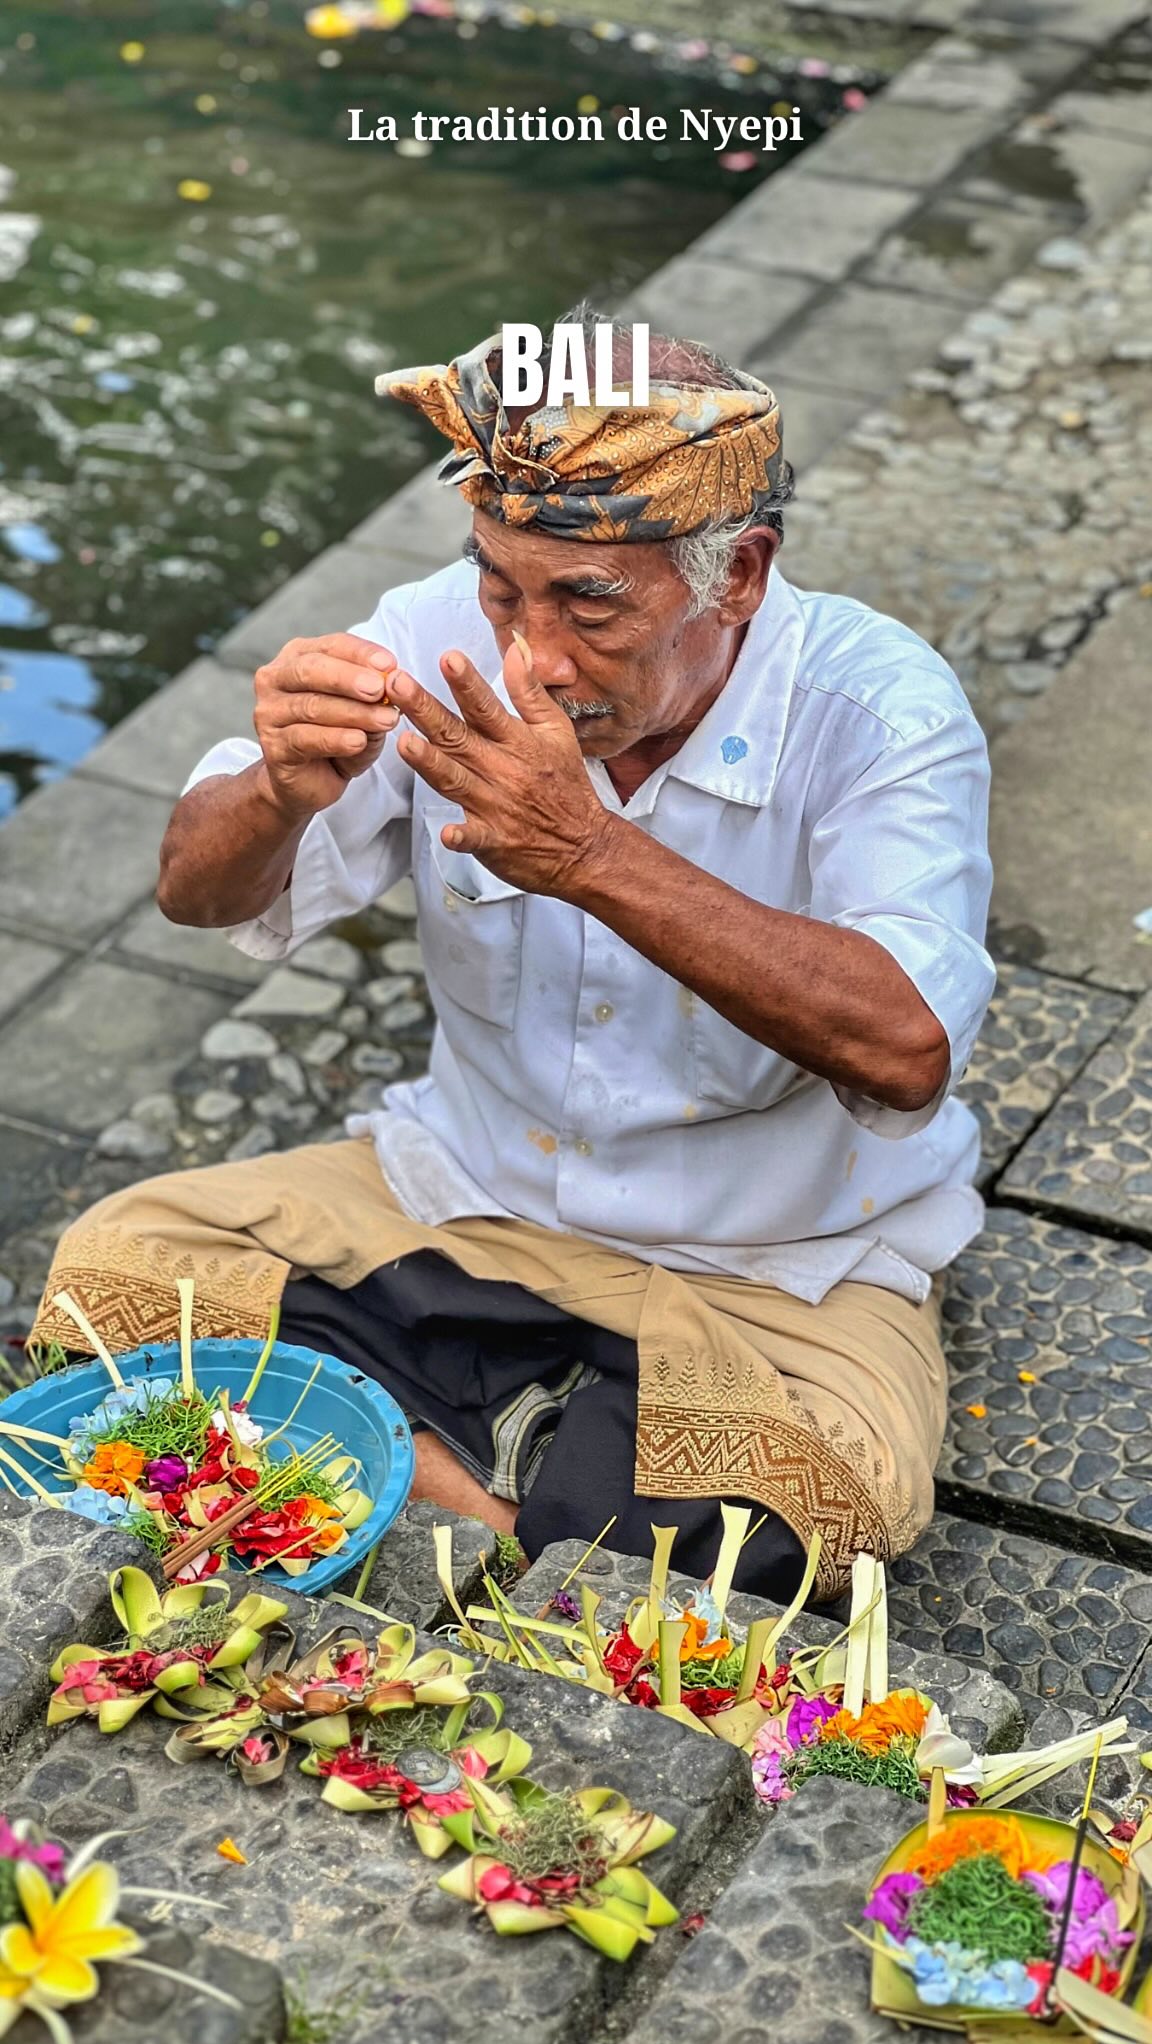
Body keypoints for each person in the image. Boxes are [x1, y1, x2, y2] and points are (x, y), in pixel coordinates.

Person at [30, 311, 994, 1602]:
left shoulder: (879, 710)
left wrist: (590, 855)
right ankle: (518, 1512)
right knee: (115, 1285)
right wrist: (275, 791)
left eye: (590, 601)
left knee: (819, 1500)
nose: (530, 654)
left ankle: (400, 1467)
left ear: (739, 577)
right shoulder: (440, 632)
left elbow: (907, 1046)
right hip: (463, 1199)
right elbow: (192, 892)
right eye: (501, 588)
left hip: (773, 1265)